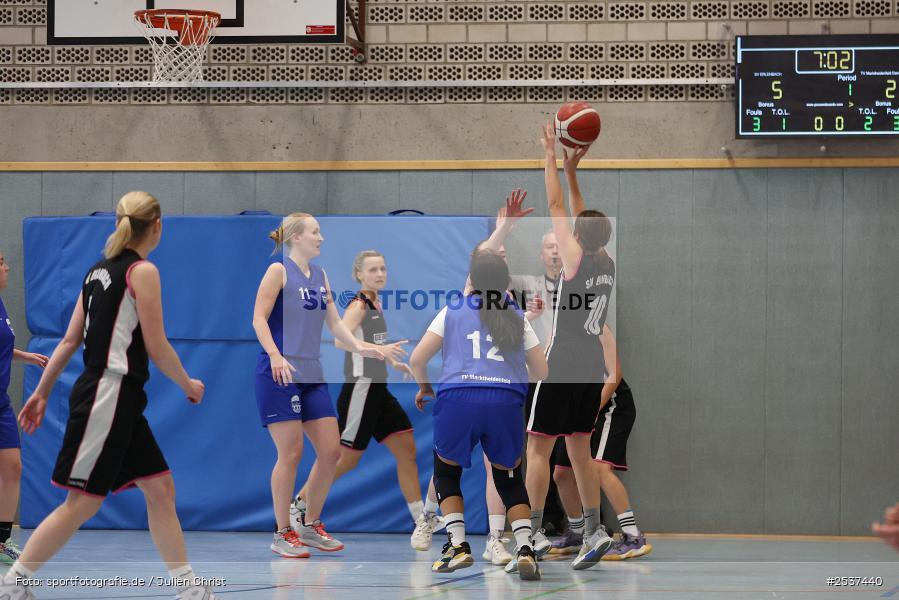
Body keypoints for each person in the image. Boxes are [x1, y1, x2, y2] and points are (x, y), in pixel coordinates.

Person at [2, 191, 217, 599]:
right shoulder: (143, 271)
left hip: (123, 400)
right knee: (82, 503)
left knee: (160, 489)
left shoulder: (95, 271)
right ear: (158, 225)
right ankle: (14, 583)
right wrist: (188, 384)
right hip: (108, 394)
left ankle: (187, 587)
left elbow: (67, 342)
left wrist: (42, 393)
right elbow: (156, 345)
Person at [253, 213, 405, 558]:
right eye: (315, 232)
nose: (321, 238)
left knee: (332, 451)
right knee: (290, 454)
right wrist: (275, 355)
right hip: (281, 372)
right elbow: (258, 318)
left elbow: (338, 329)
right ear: (296, 237)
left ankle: (309, 523)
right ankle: (281, 531)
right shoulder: (278, 271)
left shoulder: (320, 276)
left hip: (312, 373)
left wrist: (374, 349)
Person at [410, 250, 548, 580]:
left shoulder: (453, 309)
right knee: (509, 479)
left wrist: (425, 387)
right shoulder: (516, 314)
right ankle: (525, 546)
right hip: (505, 402)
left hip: (459, 398)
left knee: (446, 473)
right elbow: (542, 368)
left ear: (472, 279)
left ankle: (457, 545)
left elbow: (417, 358)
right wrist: (509, 385)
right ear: (505, 282)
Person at [523, 124, 618, 570]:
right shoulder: (605, 260)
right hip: (591, 367)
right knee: (579, 450)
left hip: (561, 361)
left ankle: (532, 536)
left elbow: (558, 205)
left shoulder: (575, 257)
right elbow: (578, 212)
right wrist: (572, 169)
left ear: (578, 236)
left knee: (538, 446)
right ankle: (594, 530)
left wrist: (548, 156)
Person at [289, 251, 427, 543]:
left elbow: (371, 344)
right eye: (373, 269)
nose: (379, 273)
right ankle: (299, 505)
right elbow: (341, 339)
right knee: (344, 459)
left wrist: (391, 359)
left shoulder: (376, 302)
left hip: (379, 388)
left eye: (383, 268)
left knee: (407, 449)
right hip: (361, 389)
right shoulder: (358, 304)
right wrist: (378, 352)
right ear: (359, 275)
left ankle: (421, 521)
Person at [550, 326, 651, 560]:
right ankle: (578, 533)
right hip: (576, 408)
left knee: (598, 468)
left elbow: (615, 374)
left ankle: (632, 536)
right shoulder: (555, 330)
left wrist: (592, 409)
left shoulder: (597, 327)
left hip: (610, 408)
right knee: (561, 474)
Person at [0, 250, 49, 564]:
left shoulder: (1, 306)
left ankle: (2, 540)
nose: (6, 267)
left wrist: (25, 356)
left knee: (13, 467)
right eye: (1, 262)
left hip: (1, 404)